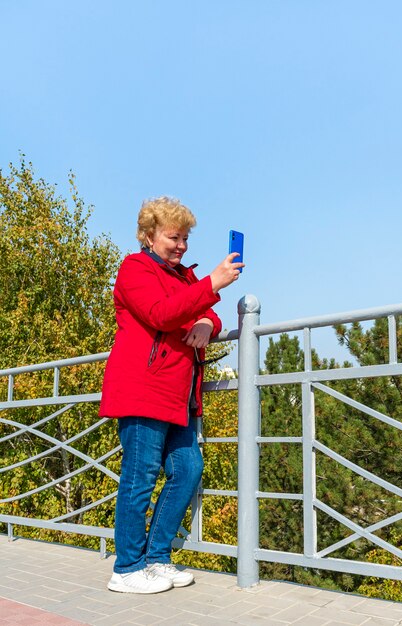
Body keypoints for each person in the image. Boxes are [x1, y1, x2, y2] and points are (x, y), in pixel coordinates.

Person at [100, 196, 244, 594]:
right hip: (144, 388)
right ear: (149, 236)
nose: (180, 246)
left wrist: (204, 318)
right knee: (140, 475)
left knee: (188, 469)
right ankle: (126, 568)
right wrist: (211, 285)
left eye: (184, 238)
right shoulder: (134, 269)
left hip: (180, 393)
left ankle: (157, 558)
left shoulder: (183, 277)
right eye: (172, 237)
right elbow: (161, 313)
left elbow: (207, 314)